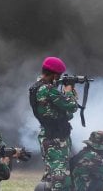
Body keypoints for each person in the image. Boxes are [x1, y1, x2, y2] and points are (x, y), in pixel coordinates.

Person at [29, 56, 78, 191]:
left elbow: (60, 112)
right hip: (56, 137)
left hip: (48, 133)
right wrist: (69, 92)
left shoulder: (36, 87)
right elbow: (72, 106)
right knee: (59, 176)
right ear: (55, 74)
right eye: (59, 75)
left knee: (51, 173)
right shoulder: (48, 89)